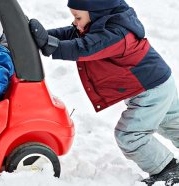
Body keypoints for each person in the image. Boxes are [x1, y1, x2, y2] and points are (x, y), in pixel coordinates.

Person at [28, 0, 179, 185]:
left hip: (151, 91)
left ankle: (168, 169)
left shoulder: (116, 34)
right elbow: (71, 34)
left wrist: (52, 46)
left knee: (130, 135)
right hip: (159, 83)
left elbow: (83, 47)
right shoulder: (102, 23)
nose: (75, 22)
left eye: (77, 17)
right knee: (172, 124)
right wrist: (40, 38)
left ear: (97, 12)